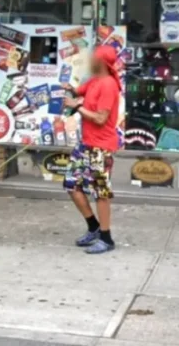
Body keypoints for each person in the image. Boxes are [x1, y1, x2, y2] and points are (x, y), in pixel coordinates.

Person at [62, 45, 121, 255]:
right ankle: (93, 227)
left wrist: (76, 106)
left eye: (94, 58)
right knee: (71, 185)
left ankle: (107, 238)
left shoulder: (108, 85)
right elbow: (78, 91)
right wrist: (67, 87)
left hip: (101, 147)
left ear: (102, 62)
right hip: (85, 143)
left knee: (100, 193)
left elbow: (100, 118)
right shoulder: (95, 80)